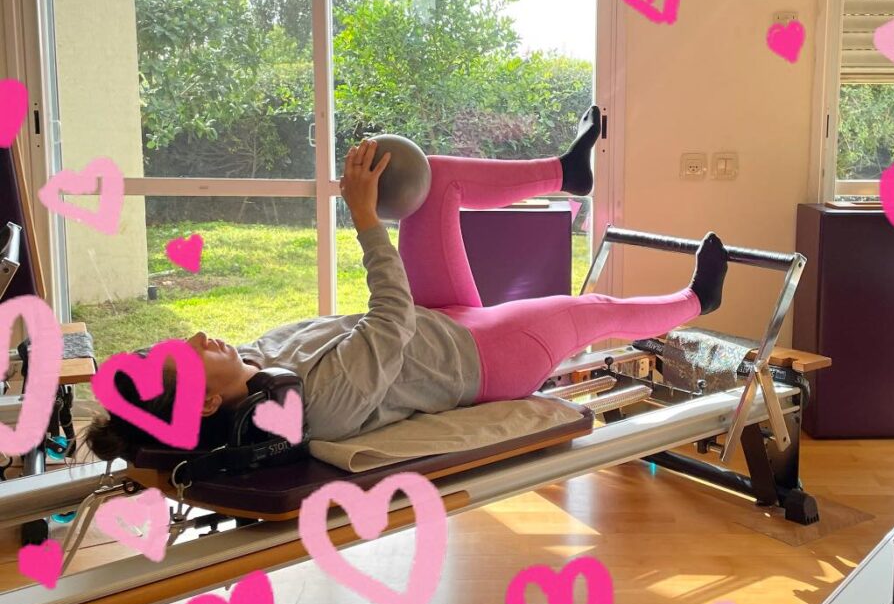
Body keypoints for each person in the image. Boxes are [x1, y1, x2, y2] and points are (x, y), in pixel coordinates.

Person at [86, 106, 728, 461]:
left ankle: (567, 171)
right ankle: (697, 300)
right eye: (187, 354)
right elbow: (388, 321)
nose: (199, 335)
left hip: (438, 318)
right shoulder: (317, 406)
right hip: (484, 359)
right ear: (203, 404)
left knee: (435, 181)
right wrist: (365, 218)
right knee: (593, 308)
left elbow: (391, 319)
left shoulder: (256, 358)